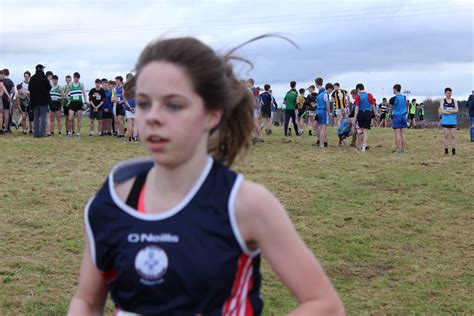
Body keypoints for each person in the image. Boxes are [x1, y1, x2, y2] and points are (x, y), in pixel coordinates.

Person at [67, 37, 344, 316]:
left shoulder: (246, 205)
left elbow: (324, 304)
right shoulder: (112, 202)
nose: (152, 117)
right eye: (143, 103)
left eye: (173, 105)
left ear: (212, 114)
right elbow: (87, 302)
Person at [28, 64, 51, 138]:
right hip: (43, 101)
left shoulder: (32, 78)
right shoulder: (44, 78)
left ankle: (35, 134)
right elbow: (49, 88)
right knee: (43, 117)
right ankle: (42, 134)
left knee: (36, 117)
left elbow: (29, 89)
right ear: (41, 69)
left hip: (34, 101)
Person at [353, 83, 376, 151]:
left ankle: (359, 146)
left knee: (360, 130)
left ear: (358, 89)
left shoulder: (358, 97)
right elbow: (373, 105)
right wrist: (375, 113)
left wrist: (354, 118)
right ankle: (363, 147)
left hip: (360, 113)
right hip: (367, 113)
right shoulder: (369, 95)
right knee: (365, 131)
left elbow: (356, 108)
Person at [66, 72, 87, 137]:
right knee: (70, 119)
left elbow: (84, 94)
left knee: (79, 119)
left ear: (79, 78)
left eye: (77, 78)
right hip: (72, 104)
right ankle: (69, 133)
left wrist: (85, 103)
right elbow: (66, 93)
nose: (76, 79)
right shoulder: (70, 85)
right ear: (73, 77)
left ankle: (78, 133)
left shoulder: (81, 85)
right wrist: (69, 100)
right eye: (75, 78)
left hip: (79, 104)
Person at [439, 87, 458, 155]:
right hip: (445, 121)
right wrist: (451, 111)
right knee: (446, 136)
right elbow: (442, 110)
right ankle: (446, 151)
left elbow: (457, 110)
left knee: (453, 136)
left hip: (453, 121)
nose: (449, 94)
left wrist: (448, 111)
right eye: (448, 93)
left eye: (450, 93)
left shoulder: (454, 101)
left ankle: (453, 151)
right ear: (445, 93)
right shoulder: (442, 101)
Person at [389, 84, 408, 153]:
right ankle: (403, 149)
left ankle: (398, 149)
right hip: (403, 116)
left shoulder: (393, 99)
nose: (393, 91)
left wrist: (390, 114)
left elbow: (391, 108)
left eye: (393, 89)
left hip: (396, 116)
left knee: (397, 134)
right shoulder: (404, 97)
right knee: (403, 134)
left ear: (395, 89)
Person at [315, 78, 332, 148]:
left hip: (318, 111)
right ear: (329, 89)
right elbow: (327, 105)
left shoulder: (319, 94)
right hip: (323, 112)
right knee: (323, 129)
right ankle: (321, 144)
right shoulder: (326, 95)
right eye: (331, 90)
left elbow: (316, 103)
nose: (331, 92)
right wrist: (329, 113)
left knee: (320, 127)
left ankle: (323, 142)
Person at [124, 74, 138, 141]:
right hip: (135, 107)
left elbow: (124, 99)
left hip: (128, 108)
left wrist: (129, 107)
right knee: (135, 123)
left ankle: (130, 137)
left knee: (129, 123)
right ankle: (134, 137)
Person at [1, 69, 15, 133]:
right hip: (7, 99)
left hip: (1, 98)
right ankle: (6, 128)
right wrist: (11, 98)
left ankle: (1, 127)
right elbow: (14, 91)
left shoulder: (1, 81)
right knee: (7, 114)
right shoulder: (10, 81)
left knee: (1, 114)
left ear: (3, 73)